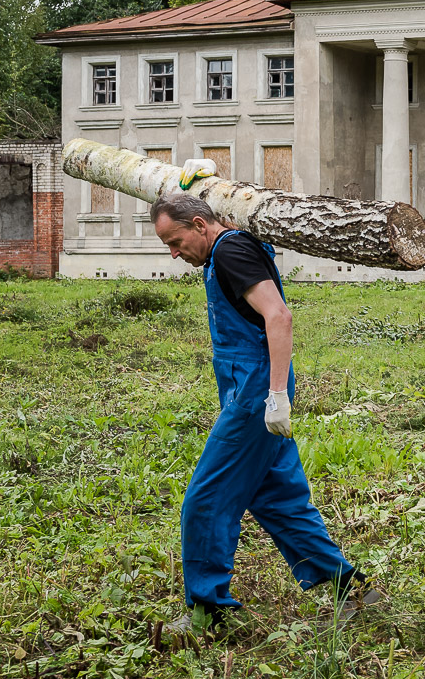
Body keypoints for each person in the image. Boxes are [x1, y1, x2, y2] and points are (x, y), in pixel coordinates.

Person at [149, 194, 379, 632]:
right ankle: (350, 588)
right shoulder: (226, 246)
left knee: (206, 498)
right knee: (277, 498)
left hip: (256, 392)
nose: (174, 254)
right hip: (249, 386)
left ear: (200, 224)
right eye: (168, 246)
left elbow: (279, 316)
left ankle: (207, 611)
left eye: (175, 242)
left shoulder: (231, 251)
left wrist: (275, 395)